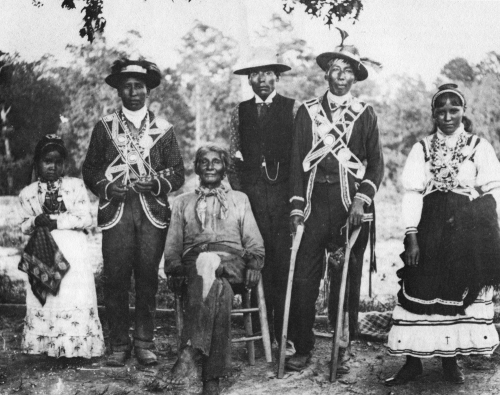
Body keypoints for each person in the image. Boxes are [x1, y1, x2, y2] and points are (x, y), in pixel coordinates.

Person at [385, 84, 500, 386]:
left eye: (454, 109)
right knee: (418, 286)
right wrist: (412, 235)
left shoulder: (479, 146)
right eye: (441, 110)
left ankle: (451, 363)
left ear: (463, 111)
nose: (447, 115)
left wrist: (481, 226)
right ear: (433, 113)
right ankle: (413, 363)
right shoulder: (422, 148)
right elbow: (411, 192)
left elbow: (494, 190)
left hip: (465, 231)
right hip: (429, 228)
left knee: (454, 291)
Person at [287, 35, 384, 372]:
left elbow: (376, 165)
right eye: (335, 69)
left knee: (345, 278)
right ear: (325, 75)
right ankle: (303, 346)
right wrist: (297, 208)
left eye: (348, 71)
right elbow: (297, 160)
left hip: (349, 209)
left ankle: (340, 349)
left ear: (355, 78)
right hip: (314, 207)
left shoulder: (365, 114)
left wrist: (362, 199)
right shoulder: (307, 112)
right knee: (303, 278)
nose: (341, 75)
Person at [82, 59, 185, 366]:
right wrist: (105, 187)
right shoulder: (104, 128)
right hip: (117, 212)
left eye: (138, 85)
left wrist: (156, 182)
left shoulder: (164, 130)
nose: (133, 91)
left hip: (152, 212)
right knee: (114, 277)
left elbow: (178, 172)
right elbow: (89, 168)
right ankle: (118, 343)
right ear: (118, 90)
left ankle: (144, 341)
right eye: (126, 85)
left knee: (147, 278)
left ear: (148, 89)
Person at [164, 145, 265, 395]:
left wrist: (253, 263)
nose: (210, 166)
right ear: (196, 168)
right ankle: (212, 379)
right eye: (204, 162)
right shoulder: (182, 202)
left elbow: (254, 242)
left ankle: (189, 351)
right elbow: (173, 247)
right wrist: (174, 270)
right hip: (194, 266)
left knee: (210, 264)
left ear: (225, 168)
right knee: (220, 290)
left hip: (232, 262)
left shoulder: (239, 199)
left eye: (216, 162)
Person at [229, 47, 295, 346]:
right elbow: (232, 158)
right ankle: (258, 332)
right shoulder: (239, 111)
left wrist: (295, 199)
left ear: (277, 77)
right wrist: (241, 196)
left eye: (268, 73)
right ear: (249, 79)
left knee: (282, 261)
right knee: (256, 258)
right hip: (252, 196)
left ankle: (284, 332)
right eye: (255, 74)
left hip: (282, 196)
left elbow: (299, 157)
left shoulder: (293, 109)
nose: (262, 80)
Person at [18, 134, 105, 359]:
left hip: (72, 249)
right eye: (47, 161)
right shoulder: (28, 193)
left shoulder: (75, 186)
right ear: (37, 163)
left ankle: (74, 345)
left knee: (71, 294)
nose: (52, 166)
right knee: (47, 295)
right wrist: (36, 221)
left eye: (57, 162)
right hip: (42, 249)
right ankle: (45, 344)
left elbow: (86, 218)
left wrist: (57, 221)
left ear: (64, 164)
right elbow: (23, 226)